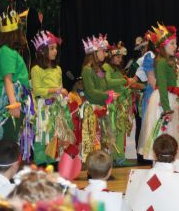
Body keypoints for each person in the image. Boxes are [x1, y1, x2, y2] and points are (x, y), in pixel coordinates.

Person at [138, 23, 179, 160]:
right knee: (162, 131)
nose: (175, 46)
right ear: (163, 46)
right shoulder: (161, 63)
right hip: (163, 100)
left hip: (170, 98)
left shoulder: (169, 62)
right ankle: (160, 160)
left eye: (175, 43)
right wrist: (167, 109)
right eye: (172, 44)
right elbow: (163, 86)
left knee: (171, 132)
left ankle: (169, 160)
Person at [30, 30, 75, 165]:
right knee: (42, 134)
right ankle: (40, 161)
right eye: (51, 48)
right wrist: (55, 90)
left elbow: (60, 87)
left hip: (56, 107)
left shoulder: (58, 69)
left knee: (54, 134)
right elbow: (37, 90)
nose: (55, 51)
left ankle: (50, 160)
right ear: (42, 51)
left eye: (56, 48)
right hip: (43, 106)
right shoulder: (36, 69)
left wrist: (64, 94)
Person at [0, 10, 32, 160]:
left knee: (12, 138)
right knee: (8, 138)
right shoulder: (6, 52)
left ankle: (8, 171)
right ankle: (4, 171)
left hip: (18, 98)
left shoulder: (10, 52)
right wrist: (13, 103)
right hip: (11, 99)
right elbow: (8, 79)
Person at [81, 34, 119, 162]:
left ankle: (103, 168)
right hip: (93, 110)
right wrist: (107, 95)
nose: (105, 54)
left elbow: (103, 88)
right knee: (94, 140)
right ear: (94, 53)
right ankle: (93, 170)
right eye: (102, 51)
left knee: (104, 140)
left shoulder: (100, 69)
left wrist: (110, 94)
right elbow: (91, 92)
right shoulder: (87, 70)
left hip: (102, 108)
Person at [102, 42, 136, 166]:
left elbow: (120, 86)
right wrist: (124, 80)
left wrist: (128, 87)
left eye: (121, 57)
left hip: (121, 104)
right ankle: (113, 157)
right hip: (112, 104)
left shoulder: (118, 70)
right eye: (118, 57)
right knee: (112, 131)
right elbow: (108, 82)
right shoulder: (106, 67)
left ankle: (120, 157)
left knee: (121, 131)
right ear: (111, 57)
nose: (120, 59)